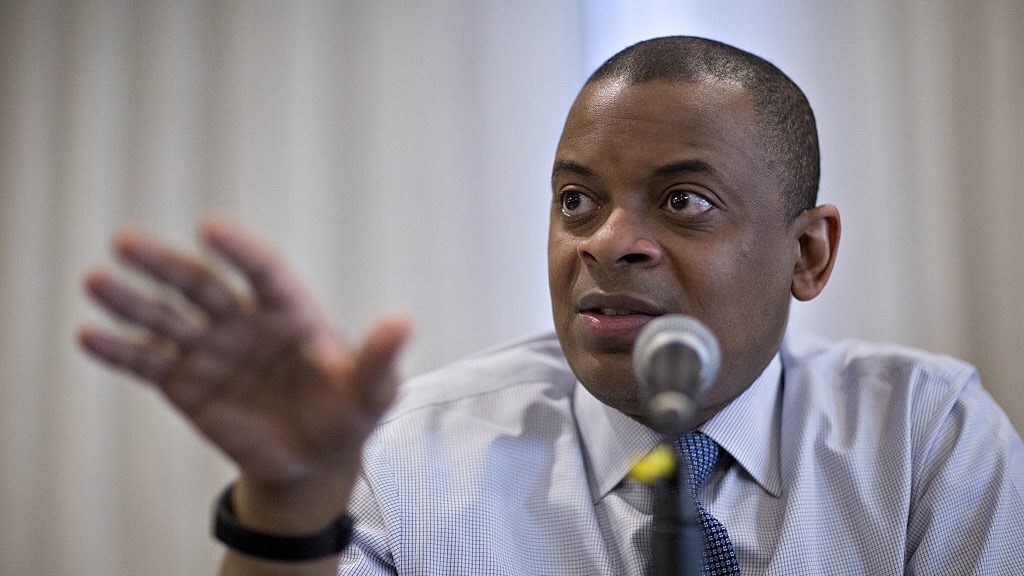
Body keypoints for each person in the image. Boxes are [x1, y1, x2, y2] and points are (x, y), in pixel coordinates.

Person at [79, 36, 1024, 575]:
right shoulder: (404, 455)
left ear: (807, 254)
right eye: (577, 199)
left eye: (683, 201)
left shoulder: (927, 438)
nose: (607, 242)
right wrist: (291, 498)